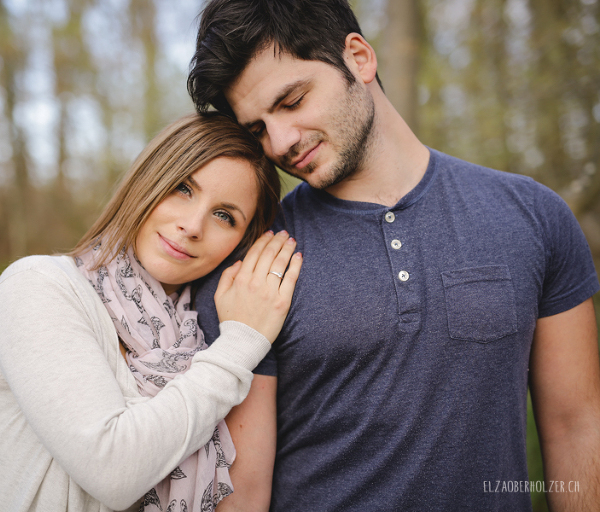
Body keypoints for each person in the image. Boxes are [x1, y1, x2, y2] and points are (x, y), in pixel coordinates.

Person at [187, 1, 600, 510]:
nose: (280, 143)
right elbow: (241, 493)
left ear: (358, 58)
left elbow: (577, 428)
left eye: (292, 101)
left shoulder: (533, 216)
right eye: (257, 129)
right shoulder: (252, 265)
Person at [0, 113, 302, 512]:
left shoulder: (201, 337)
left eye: (224, 216)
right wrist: (241, 344)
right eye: (182, 188)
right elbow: (112, 469)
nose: (193, 226)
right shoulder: (39, 286)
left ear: (240, 244)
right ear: (147, 180)